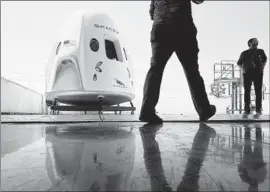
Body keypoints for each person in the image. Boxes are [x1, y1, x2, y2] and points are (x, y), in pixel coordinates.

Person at [139, 0, 216, 124]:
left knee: (155, 69)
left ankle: (147, 111)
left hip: (160, 27)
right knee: (192, 72)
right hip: (183, 28)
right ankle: (204, 110)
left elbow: (152, 13)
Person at [237, 38, 267, 114]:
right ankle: (247, 109)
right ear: (249, 43)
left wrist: (262, 67)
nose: (256, 43)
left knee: (258, 91)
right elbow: (239, 63)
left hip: (258, 73)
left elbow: (264, 60)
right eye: (254, 42)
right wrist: (243, 70)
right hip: (247, 73)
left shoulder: (261, 51)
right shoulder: (244, 53)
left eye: (257, 42)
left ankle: (258, 109)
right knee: (247, 91)